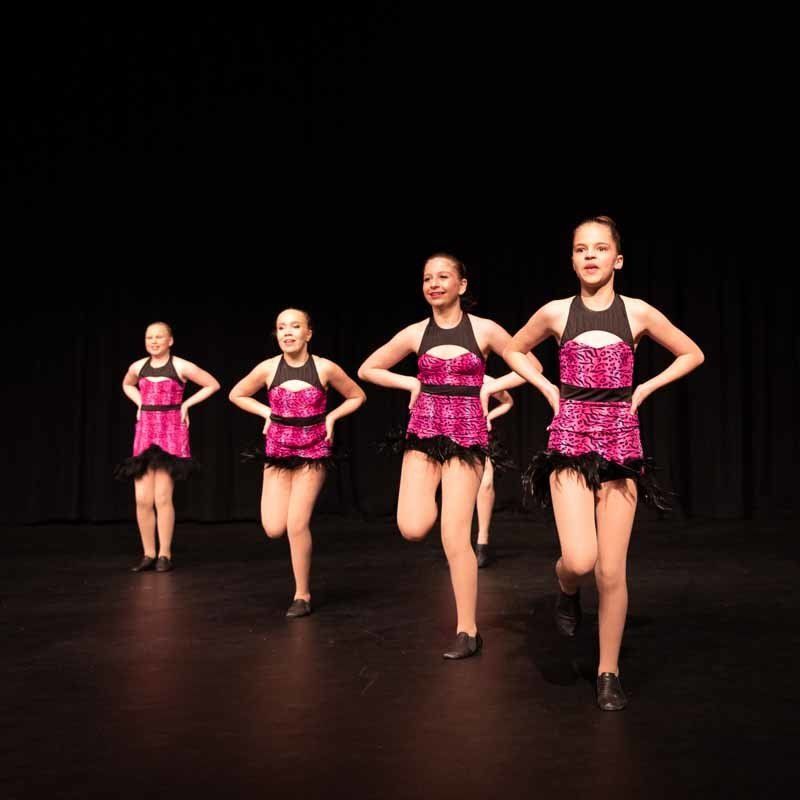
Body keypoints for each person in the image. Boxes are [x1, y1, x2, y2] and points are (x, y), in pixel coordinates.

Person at [503, 216, 704, 709]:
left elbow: (691, 353)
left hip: (621, 438)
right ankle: (565, 585)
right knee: (581, 560)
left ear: (617, 259)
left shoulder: (636, 313)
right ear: (572, 259)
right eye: (580, 249)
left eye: (599, 248)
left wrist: (645, 388)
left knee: (612, 570)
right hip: (570, 437)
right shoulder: (555, 313)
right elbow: (512, 347)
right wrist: (548, 387)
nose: (589, 256)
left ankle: (608, 670)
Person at [229, 308, 365, 617]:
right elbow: (237, 394)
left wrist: (331, 417)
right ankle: (299, 587)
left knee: (296, 523)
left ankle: (301, 594)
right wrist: (267, 413)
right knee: (274, 527)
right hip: (277, 449)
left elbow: (357, 395)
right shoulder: (268, 368)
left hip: (313, 449)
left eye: (295, 326)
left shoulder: (324, 368)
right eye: (281, 327)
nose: (287, 332)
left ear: (308, 333)